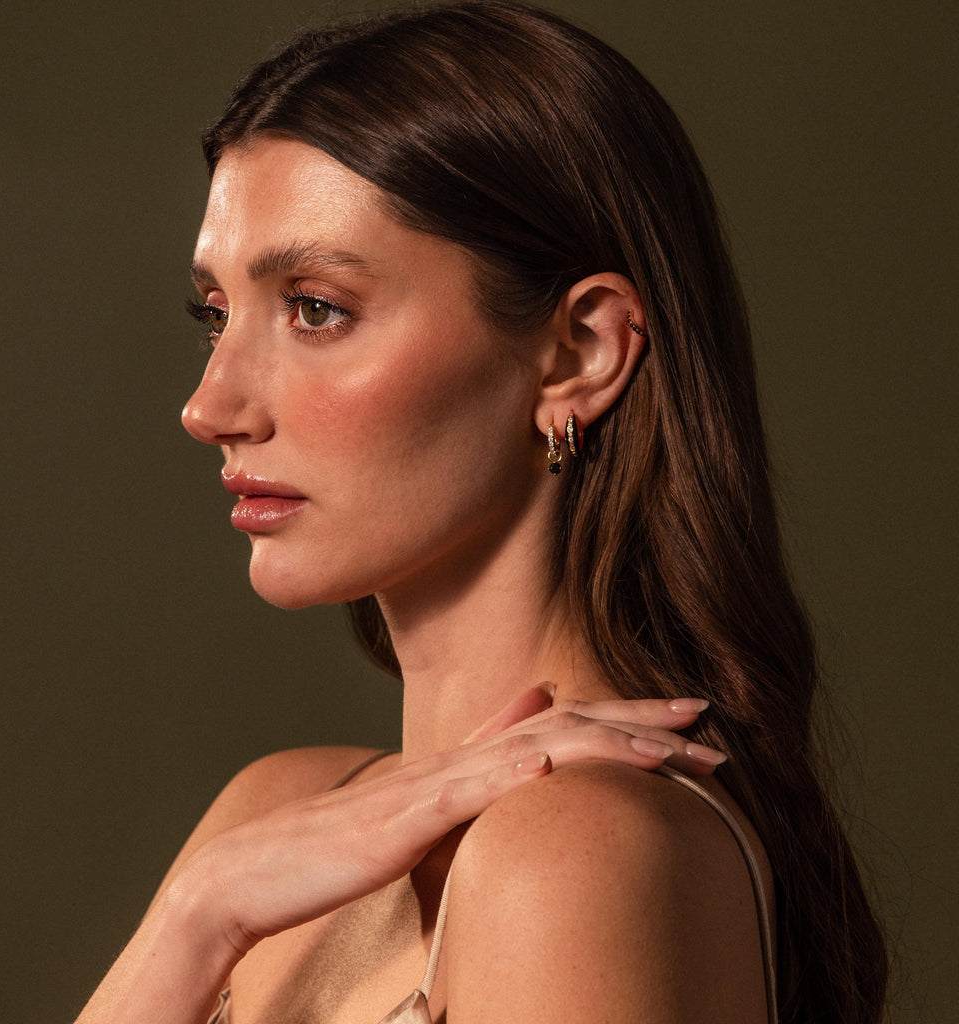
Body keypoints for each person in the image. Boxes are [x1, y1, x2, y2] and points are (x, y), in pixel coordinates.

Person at [75, 3, 887, 1022]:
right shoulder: (278, 815)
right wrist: (198, 913)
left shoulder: (570, 849)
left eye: (315, 308)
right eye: (216, 316)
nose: (210, 408)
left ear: (579, 352)